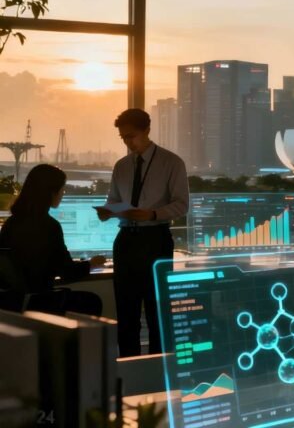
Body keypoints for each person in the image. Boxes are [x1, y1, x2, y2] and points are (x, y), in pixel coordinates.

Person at [97, 108, 188, 356]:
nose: (128, 142)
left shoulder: (171, 163)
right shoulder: (122, 166)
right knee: (126, 313)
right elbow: (114, 200)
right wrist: (107, 211)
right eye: (123, 138)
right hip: (125, 240)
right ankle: (129, 370)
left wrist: (152, 214)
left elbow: (182, 204)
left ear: (147, 130)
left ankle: (158, 371)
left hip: (155, 240)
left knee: (157, 311)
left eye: (132, 136)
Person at [0, 164, 104, 315]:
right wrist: (92, 264)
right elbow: (67, 272)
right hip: (40, 301)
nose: (63, 193)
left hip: (13, 303)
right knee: (92, 301)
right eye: (62, 188)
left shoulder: (11, 223)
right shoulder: (49, 226)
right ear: (51, 192)